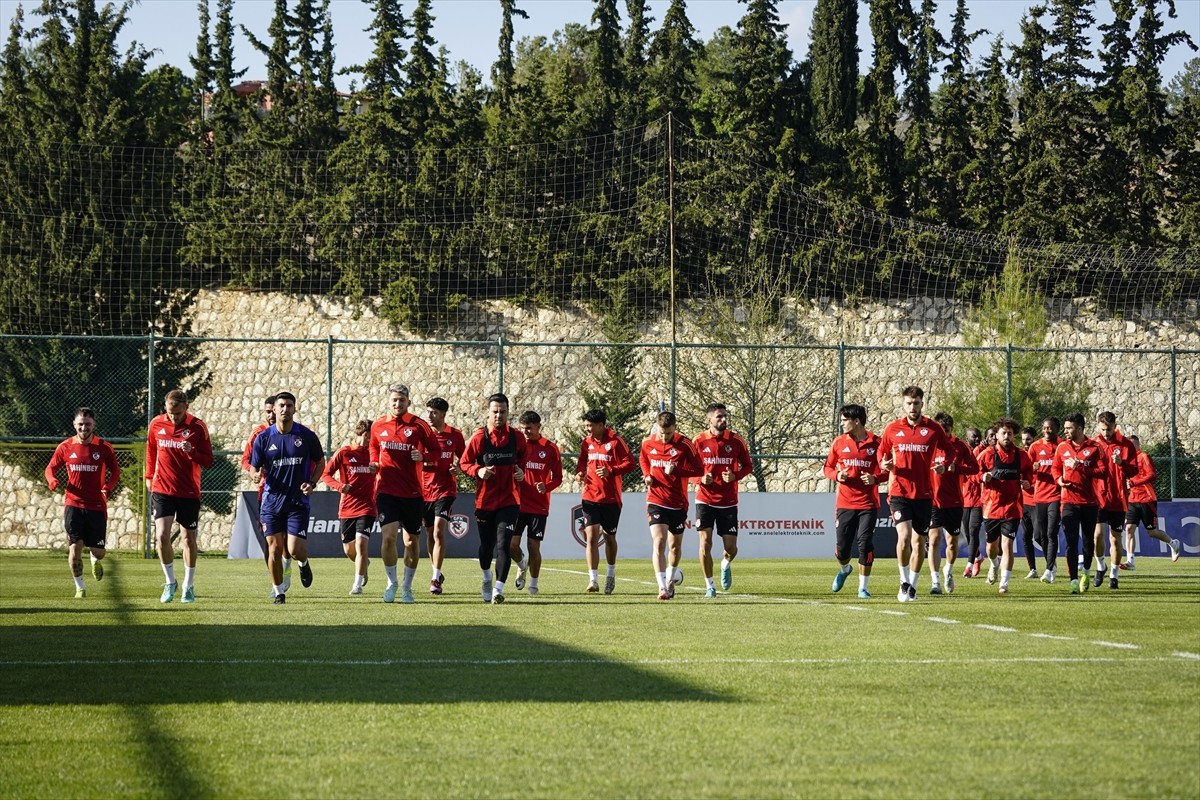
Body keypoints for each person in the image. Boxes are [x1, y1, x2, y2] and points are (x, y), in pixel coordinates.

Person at [878, 386, 952, 602]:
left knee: (919, 543)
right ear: (904, 404)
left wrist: (944, 465)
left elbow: (949, 449)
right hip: (899, 491)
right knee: (904, 536)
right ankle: (902, 582)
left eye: (916, 403)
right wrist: (884, 463)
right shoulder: (893, 429)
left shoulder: (933, 429)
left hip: (924, 494)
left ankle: (913, 585)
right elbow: (882, 452)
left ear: (922, 403)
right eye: (909, 403)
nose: (913, 407)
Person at [250, 392, 325, 604]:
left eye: (289, 405)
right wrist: (254, 474)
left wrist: (311, 482)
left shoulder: (306, 436)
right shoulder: (263, 438)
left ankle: (303, 563)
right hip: (271, 502)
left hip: (297, 503)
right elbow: (253, 466)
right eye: (281, 405)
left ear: (295, 409)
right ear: (274, 409)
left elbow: (321, 462)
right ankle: (279, 592)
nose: (285, 409)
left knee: (294, 550)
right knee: (274, 549)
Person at [145, 389, 214, 604]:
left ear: (186, 407)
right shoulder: (156, 424)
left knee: (188, 539)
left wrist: (192, 450)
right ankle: (170, 582)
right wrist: (149, 477)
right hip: (162, 489)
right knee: (161, 536)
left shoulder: (197, 427)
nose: (173, 417)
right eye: (170, 412)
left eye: (177, 412)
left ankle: (188, 586)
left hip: (188, 491)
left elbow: (208, 460)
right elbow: (151, 452)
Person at [369, 384, 435, 604]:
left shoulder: (419, 426)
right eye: (394, 400)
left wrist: (422, 456)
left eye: (402, 400)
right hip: (386, 490)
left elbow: (436, 451)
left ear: (409, 402)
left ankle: (407, 587)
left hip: (413, 493)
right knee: (388, 538)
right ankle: (391, 583)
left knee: (411, 543)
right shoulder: (378, 425)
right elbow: (373, 447)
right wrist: (373, 462)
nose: (398, 404)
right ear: (389, 401)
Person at [45, 407, 120, 599]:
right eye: (80, 424)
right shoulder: (65, 447)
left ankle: (95, 559)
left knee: (99, 551)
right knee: (75, 548)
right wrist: (52, 481)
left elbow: (115, 472)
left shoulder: (104, 447)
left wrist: (108, 487)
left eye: (87, 424)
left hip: (96, 505)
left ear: (94, 424)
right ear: (74, 425)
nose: (84, 427)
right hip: (73, 504)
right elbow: (50, 469)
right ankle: (80, 588)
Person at [460, 393, 527, 604]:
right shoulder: (480, 437)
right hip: (485, 502)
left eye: (503, 411)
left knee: (503, 545)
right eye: (495, 411)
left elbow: (524, 458)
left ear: (508, 413)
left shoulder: (517, 437)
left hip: (509, 501)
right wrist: (478, 471)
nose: (499, 415)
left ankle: (498, 589)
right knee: (486, 547)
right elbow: (464, 463)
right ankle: (487, 577)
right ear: (488, 412)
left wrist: (521, 471)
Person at [690, 403, 754, 598]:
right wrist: (699, 479)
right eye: (719, 417)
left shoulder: (736, 440)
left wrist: (735, 476)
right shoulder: (699, 441)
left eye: (725, 416)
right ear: (709, 419)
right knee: (705, 543)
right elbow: (687, 468)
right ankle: (710, 585)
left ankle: (725, 563)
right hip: (704, 499)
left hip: (728, 500)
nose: (723, 420)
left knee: (731, 548)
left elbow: (748, 466)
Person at [823, 404, 885, 599]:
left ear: (856, 421)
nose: (841, 424)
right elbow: (827, 468)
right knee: (842, 549)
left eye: (844, 420)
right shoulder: (839, 442)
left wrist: (876, 478)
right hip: (845, 503)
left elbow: (888, 469)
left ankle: (863, 588)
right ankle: (844, 569)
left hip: (868, 503)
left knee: (865, 544)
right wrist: (836, 475)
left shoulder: (877, 443)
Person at [639, 411, 702, 600]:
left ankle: (670, 578)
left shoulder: (685, 444)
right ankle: (662, 588)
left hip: (678, 503)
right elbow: (643, 459)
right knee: (659, 542)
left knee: (674, 547)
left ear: (675, 427)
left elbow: (699, 469)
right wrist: (647, 475)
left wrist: (678, 470)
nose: (664, 437)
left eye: (668, 433)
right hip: (656, 500)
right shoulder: (648, 442)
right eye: (661, 433)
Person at [976, 418, 1034, 594]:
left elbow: (1030, 473)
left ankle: (1004, 583)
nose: (1007, 436)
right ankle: (993, 564)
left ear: (1014, 435)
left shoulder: (1022, 456)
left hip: (1012, 508)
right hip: (992, 507)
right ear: (997, 435)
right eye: (1003, 433)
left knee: (1007, 544)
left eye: (1010, 433)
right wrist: (982, 477)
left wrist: (1027, 482)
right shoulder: (987, 454)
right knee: (992, 547)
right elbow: (975, 471)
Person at [321, 420, 378, 595]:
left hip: (368, 506)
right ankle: (364, 564)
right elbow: (326, 474)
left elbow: (388, 472)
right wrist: (340, 486)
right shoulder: (345, 452)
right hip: (347, 507)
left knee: (361, 544)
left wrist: (377, 469)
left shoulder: (376, 455)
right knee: (349, 549)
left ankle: (357, 585)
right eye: (372, 435)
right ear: (366, 434)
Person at [511, 410, 563, 595]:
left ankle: (533, 584)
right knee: (512, 545)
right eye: (523, 428)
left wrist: (546, 486)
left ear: (538, 427)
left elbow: (558, 477)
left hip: (538, 505)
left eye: (529, 429)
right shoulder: (517, 447)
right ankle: (521, 564)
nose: (526, 432)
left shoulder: (550, 448)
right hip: (516, 503)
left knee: (534, 546)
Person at [1051, 413, 1102, 594]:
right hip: (1068, 501)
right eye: (1065, 428)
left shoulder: (1095, 447)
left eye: (1069, 428)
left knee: (1088, 541)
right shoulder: (1062, 447)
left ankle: (1086, 573)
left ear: (1080, 429)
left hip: (1089, 502)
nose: (1065, 431)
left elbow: (1103, 472)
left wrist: (1079, 466)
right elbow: (1055, 468)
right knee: (1071, 541)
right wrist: (1058, 480)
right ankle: (1073, 580)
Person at [928, 412, 978, 595]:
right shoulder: (928, 445)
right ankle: (935, 582)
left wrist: (957, 468)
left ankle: (948, 570)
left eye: (947, 431)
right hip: (933, 500)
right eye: (941, 431)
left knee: (952, 542)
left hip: (955, 501)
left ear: (951, 430)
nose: (944, 435)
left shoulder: (959, 446)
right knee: (933, 539)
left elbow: (975, 468)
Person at [421, 397, 466, 595]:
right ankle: (436, 572)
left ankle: (435, 578)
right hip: (423, 491)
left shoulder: (455, 435)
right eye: (428, 412)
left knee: (439, 531)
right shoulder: (422, 436)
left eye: (434, 413)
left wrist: (457, 468)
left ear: (443, 414)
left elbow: (465, 460)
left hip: (446, 490)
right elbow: (416, 460)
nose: (430, 416)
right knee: (430, 534)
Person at [1091, 411, 1138, 589]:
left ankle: (1114, 575)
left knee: (1115, 538)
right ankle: (1100, 565)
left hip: (1118, 499)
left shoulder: (1126, 445)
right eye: (1103, 429)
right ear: (1098, 427)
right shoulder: (1094, 444)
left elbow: (1134, 471)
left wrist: (1122, 464)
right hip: (1099, 498)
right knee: (1097, 535)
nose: (1106, 433)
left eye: (1109, 429)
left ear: (1115, 426)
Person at [1123, 435, 1182, 566]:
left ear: (1137, 445)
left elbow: (1152, 475)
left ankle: (1173, 543)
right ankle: (1130, 561)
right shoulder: (1126, 460)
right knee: (1129, 529)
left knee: (1151, 532)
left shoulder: (1143, 456)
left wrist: (1134, 482)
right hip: (1132, 499)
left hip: (1147, 498)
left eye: (1131, 445)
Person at [1028, 417, 1062, 583]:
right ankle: (1052, 563)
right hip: (1040, 496)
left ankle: (1048, 570)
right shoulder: (1035, 447)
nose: (1047, 431)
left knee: (1051, 533)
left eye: (1050, 428)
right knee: (1039, 536)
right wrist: (1033, 470)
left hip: (1056, 495)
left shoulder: (1062, 446)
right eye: (1044, 428)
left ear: (1057, 429)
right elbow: (1026, 471)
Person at [961, 427, 985, 578]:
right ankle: (978, 557)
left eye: (979, 437)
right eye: (974, 437)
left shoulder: (983, 453)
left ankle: (969, 565)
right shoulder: (963, 452)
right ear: (967, 438)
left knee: (974, 531)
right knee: (967, 534)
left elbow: (976, 471)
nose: (977, 439)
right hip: (964, 499)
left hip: (979, 500)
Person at [1019, 426, 1040, 579]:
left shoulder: (1039, 453)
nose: (1025, 442)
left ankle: (1050, 565)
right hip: (1024, 501)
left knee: (1039, 536)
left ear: (1034, 439)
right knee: (1026, 536)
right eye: (1023, 439)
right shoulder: (1020, 455)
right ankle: (1032, 569)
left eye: (1028, 439)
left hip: (1038, 500)